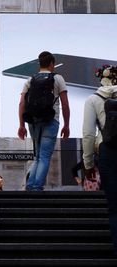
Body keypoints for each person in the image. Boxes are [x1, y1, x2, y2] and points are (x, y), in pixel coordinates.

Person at [18, 51, 70, 191]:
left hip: (33, 121)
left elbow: (22, 103)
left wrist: (21, 125)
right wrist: (66, 125)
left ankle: (30, 186)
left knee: (37, 156)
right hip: (51, 120)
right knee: (45, 156)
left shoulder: (30, 80)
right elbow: (65, 104)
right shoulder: (58, 78)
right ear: (52, 63)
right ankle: (36, 187)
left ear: (39, 64)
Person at [82, 65, 117, 255]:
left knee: (114, 206)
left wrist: (88, 165)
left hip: (108, 152)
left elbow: (88, 134)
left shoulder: (93, 99)